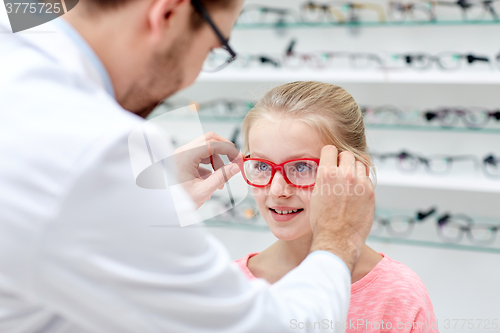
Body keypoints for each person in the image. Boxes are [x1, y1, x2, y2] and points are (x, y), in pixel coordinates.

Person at [0, 1, 374, 332]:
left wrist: (153, 202)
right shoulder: (93, 147)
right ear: (167, 13)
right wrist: (337, 240)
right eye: (214, 48)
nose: (193, 76)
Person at [234, 81, 438, 333]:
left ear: (353, 172)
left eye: (301, 167)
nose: (277, 190)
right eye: (262, 166)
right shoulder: (230, 284)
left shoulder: (397, 295)